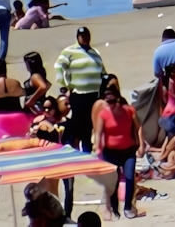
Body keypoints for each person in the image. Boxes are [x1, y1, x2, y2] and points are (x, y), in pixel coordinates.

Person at [56, 26, 106, 211]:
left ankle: (87, 152)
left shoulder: (95, 52)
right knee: (78, 123)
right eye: (82, 35)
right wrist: (64, 85)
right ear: (78, 37)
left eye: (87, 35)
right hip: (78, 94)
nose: (85, 38)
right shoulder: (69, 51)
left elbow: (102, 71)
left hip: (93, 94)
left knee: (90, 124)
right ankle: (80, 153)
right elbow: (58, 66)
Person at [91, 76, 143, 219]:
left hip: (128, 150)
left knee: (129, 178)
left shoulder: (128, 109)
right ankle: (114, 209)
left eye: (112, 100)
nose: (109, 103)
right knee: (111, 182)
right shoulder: (102, 110)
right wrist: (99, 151)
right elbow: (99, 133)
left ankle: (127, 207)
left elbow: (138, 127)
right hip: (110, 151)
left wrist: (141, 145)